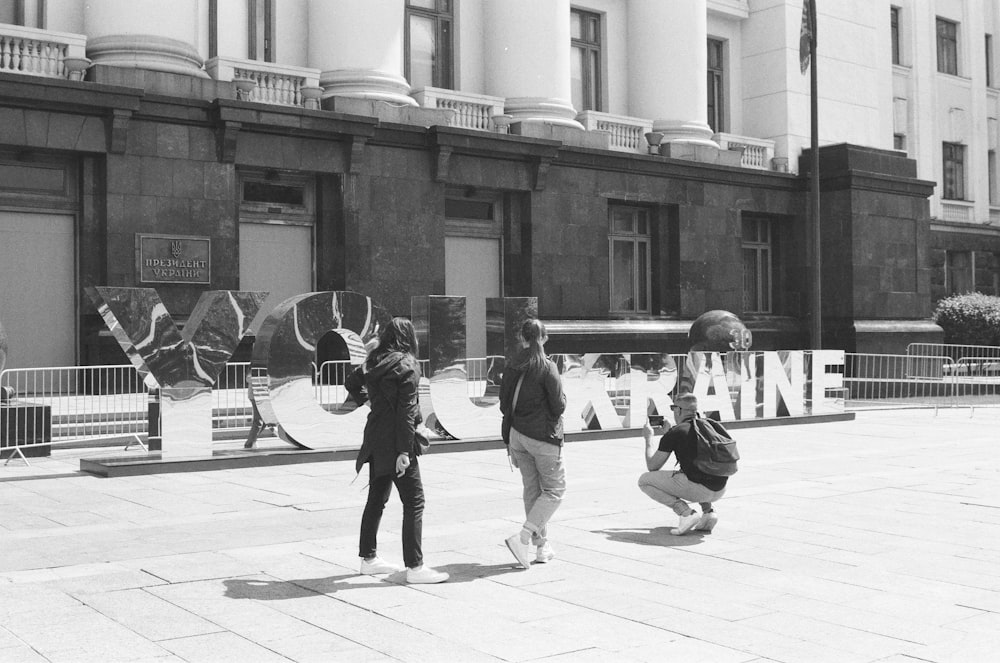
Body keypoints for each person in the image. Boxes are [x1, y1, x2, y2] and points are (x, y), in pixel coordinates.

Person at [345, 317, 448, 584]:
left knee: (376, 499)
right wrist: (404, 452)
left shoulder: (372, 362)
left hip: (376, 437)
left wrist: (369, 403)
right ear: (409, 338)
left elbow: (351, 383)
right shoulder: (407, 365)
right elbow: (406, 411)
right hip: (396, 441)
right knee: (414, 501)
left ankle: (368, 559)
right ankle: (415, 567)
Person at [499, 318, 567, 568]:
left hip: (517, 436)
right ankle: (524, 537)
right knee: (554, 490)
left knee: (532, 491)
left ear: (523, 338)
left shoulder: (512, 365)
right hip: (542, 438)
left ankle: (542, 547)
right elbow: (558, 406)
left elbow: (504, 404)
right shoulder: (547, 367)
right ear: (544, 338)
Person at [639, 393, 727, 535]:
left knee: (644, 480)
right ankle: (709, 513)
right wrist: (670, 433)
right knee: (695, 470)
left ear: (679, 410)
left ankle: (686, 513)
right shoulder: (709, 426)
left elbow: (652, 466)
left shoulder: (676, 433)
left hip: (700, 489)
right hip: (720, 488)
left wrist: (649, 438)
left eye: (673, 408)